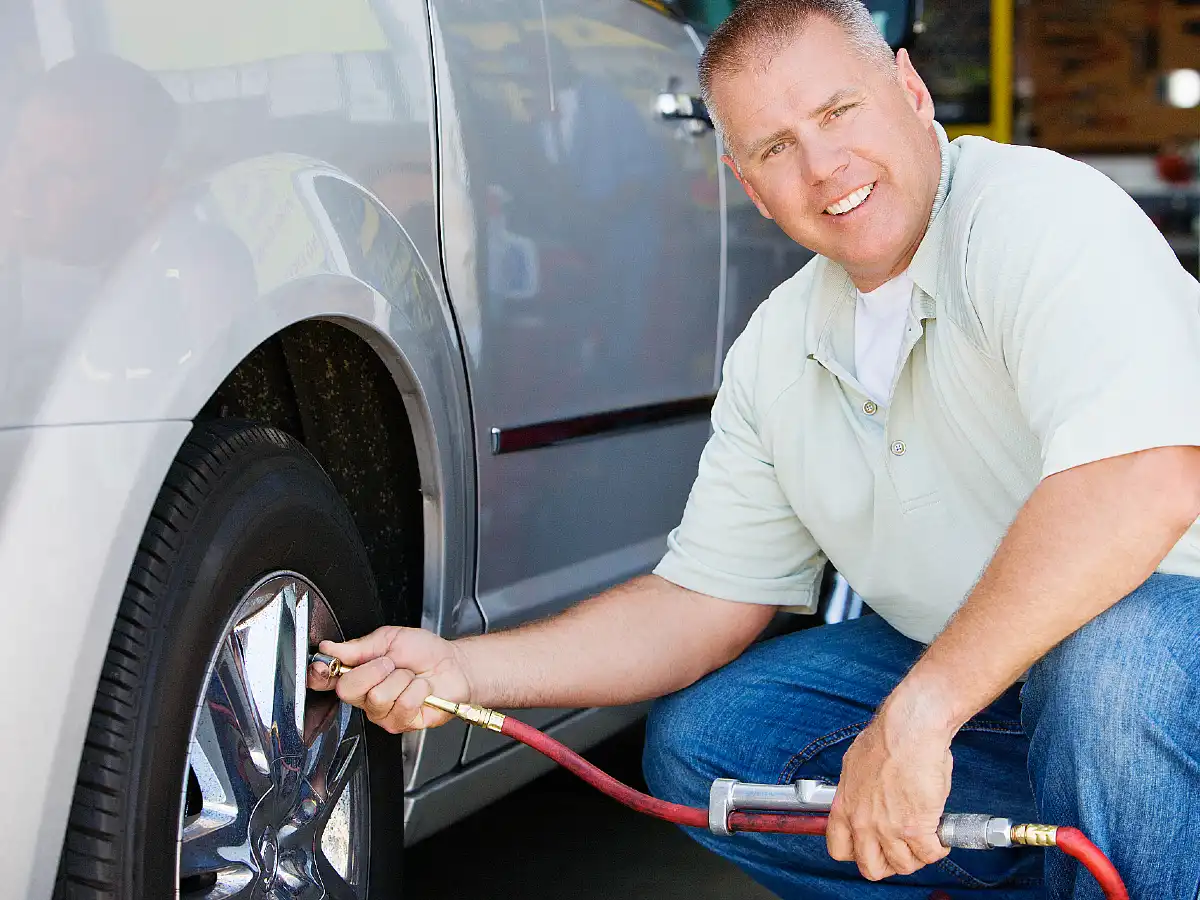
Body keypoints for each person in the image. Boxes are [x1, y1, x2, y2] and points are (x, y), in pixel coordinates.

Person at [310, 1, 1200, 896]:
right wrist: (463, 666)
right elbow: (698, 604)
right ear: (745, 181)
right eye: (776, 149)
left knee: (1117, 658)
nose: (824, 168)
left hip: (1166, 665)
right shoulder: (780, 348)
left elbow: (1144, 479)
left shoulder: (1037, 216)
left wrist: (920, 715)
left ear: (912, 89)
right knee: (717, 737)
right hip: (1027, 700)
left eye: (838, 112)